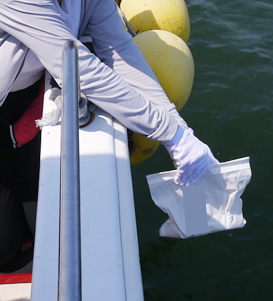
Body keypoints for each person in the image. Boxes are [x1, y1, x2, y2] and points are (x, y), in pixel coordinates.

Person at [0, 0, 217, 265]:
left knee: (45, 231)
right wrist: (170, 133)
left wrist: (181, 133)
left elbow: (120, 51)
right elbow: (81, 70)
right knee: (5, 247)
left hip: (22, 101)